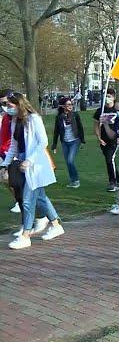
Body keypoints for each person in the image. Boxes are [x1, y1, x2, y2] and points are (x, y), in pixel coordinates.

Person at [1, 92, 65, 249]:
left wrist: (30, 160)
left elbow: (43, 142)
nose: (7, 109)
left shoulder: (34, 119)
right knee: (41, 197)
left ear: (19, 104)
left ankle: (26, 235)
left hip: (34, 163)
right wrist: (5, 165)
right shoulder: (15, 121)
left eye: (10, 106)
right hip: (22, 161)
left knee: (28, 199)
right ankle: (56, 225)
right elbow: (14, 145)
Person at [51, 97, 85, 188]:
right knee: (68, 162)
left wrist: (82, 140)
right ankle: (72, 180)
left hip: (75, 141)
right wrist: (54, 145)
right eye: (68, 104)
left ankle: (76, 180)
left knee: (70, 161)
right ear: (63, 106)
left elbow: (80, 127)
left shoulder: (75, 115)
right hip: (65, 142)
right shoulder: (59, 117)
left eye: (71, 104)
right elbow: (56, 131)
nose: (71, 106)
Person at [93, 88, 119, 192]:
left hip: (114, 139)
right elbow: (96, 125)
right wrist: (98, 137)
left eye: (109, 96)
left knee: (109, 159)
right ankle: (117, 180)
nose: (107, 98)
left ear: (113, 97)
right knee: (110, 160)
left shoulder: (117, 110)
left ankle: (113, 182)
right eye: (105, 96)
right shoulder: (100, 110)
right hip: (104, 140)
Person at [0, 89, 20, 213]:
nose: (4, 107)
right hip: (3, 150)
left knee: (12, 178)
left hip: (12, 151)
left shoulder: (15, 117)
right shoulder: (5, 117)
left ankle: (21, 200)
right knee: (4, 179)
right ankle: (19, 199)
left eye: (5, 103)